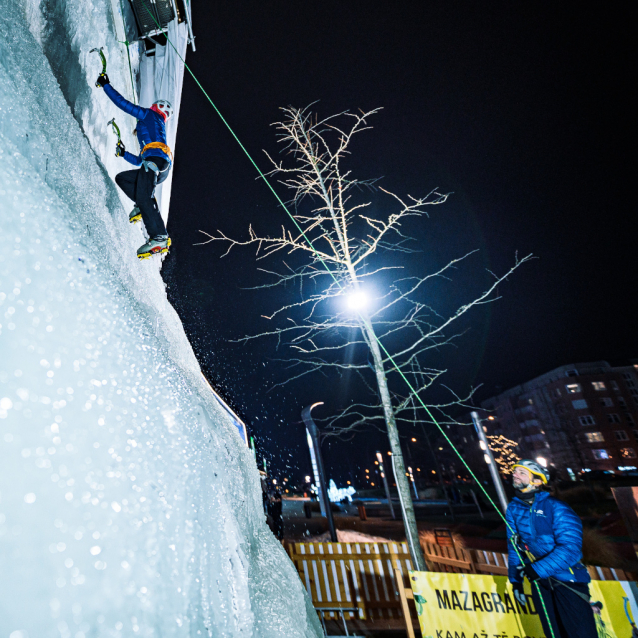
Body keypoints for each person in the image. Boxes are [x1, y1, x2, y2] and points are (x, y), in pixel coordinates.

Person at [506, 459, 597, 638]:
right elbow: (514, 547)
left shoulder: (557, 507)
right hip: (541, 584)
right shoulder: (513, 508)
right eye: (514, 472)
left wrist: (537, 569)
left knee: (579, 634)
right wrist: (515, 580)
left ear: (537, 481)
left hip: (567, 580)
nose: (514, 474)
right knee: (553, 634)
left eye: (521, 472)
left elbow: (571, 549)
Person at [95, 71, 173, 259]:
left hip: (155, 162)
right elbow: (139, 160)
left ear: (156, 107)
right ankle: (141, 203)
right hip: (156, 163)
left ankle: (159, 237)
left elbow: (124, 105)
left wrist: (106, 85)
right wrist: (124, 154)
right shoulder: (154, 129)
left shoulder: (149, 115)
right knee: (122, 178)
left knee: (146, 198)